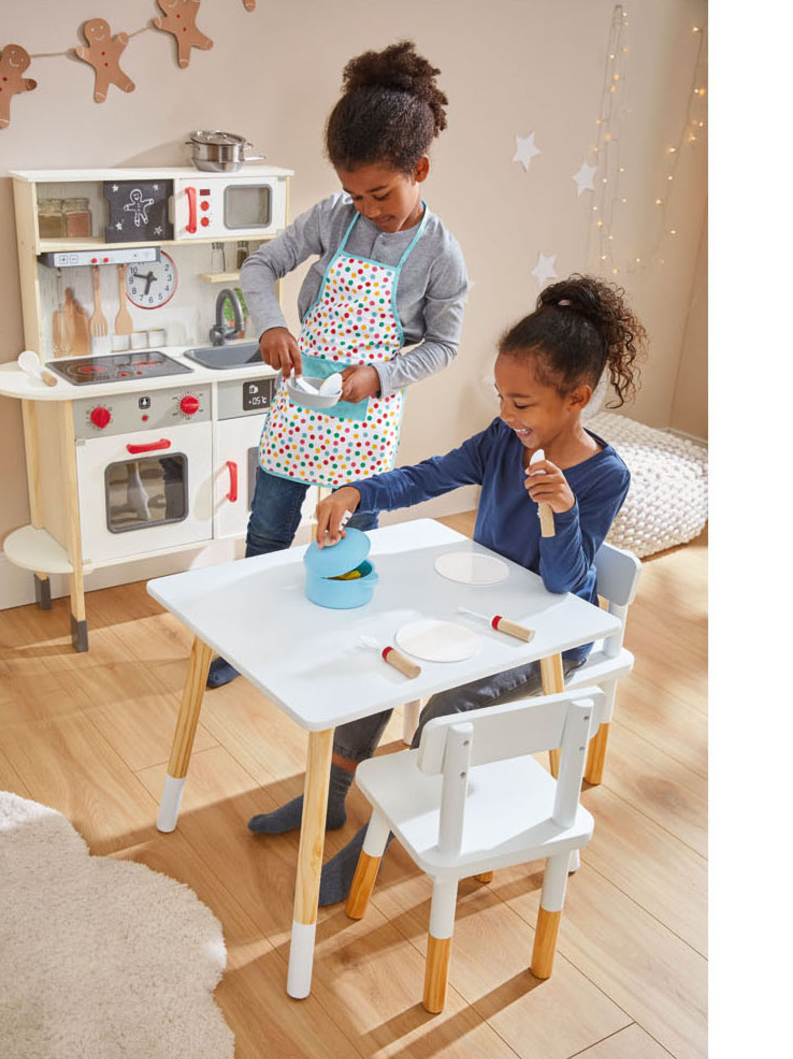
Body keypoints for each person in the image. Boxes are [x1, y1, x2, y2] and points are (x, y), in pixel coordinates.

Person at [247, 274, 647, 906]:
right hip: (481, 609)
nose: (507, 415)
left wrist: (564, 512)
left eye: (522, 404)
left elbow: (564, 583)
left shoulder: (603, 476)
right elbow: (430, 476)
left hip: (545, 639)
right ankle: (333, 794)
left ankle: (376, 842)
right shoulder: (502, 440)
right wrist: (356, 491)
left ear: (576, 398)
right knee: (377, 657)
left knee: (443, 715)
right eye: (502, 398)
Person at [206, 41, 470, 688]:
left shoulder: (440, 255)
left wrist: (380, 376)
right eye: (355, 195)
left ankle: (340, 647)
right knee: (268, 529)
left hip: (365, 418)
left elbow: (443, 345)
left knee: (350, 540)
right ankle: (248, 642)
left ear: (420, 169)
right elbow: (261, 265)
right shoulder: (332, 217)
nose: (368, 209)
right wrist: (271, 324)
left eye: (380, 194)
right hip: (301, 407)